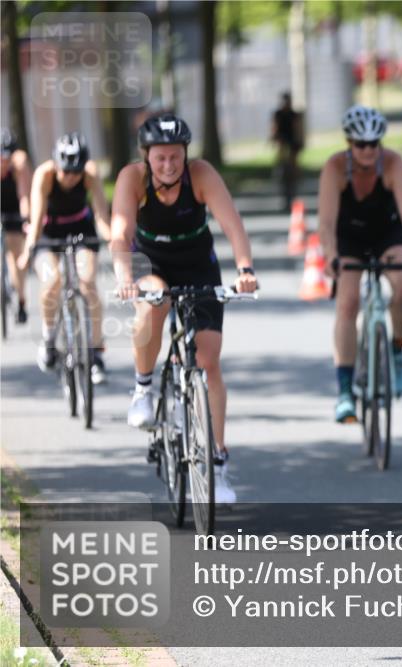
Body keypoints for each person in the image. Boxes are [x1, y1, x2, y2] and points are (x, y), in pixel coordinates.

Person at [111, 113, 258, 505]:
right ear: (147, 157)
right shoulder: (132, 178)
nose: (169, 165)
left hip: (198, 265)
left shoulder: (202, 175)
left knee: (208, 361)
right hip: (150, 264)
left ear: (185, 155)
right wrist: (124, 275)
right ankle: (143, 388)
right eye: (160, 158)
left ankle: (218, 463)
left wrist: (245, 268)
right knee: (152, 305)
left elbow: (232, 224)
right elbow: (120, 233)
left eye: (175, 157)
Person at [318, 105, 402, 424]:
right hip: (348, 238)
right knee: (348, 302)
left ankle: (396, 349)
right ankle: (344, 391)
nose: (368, 151)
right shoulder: (336, 167)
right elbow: (326, 222)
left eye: (374, 144)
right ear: (349, 144)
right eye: (360, 145)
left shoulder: (393, 163)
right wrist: (330, 256)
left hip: (387, 233)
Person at [19, 133, 111, 382]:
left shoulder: (90, 173)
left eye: (75, 172)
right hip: (49, 232)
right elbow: (36, 220)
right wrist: (28, 250)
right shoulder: (45, 174)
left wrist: (114, 239)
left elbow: (101, 215)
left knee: (88, 281)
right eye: (65, 172)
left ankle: (95, 353)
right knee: (52, 281)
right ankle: (49, 340)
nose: (70, 178)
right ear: (56, 165)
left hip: (81, 228)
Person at [1, 129, 32, 324]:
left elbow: (24, 197)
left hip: (13, 210)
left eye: (6, 158)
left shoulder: (19, 166)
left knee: (15, 255)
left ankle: (21, 300)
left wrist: (26, 219)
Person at [271, 92, 305, 212]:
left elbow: (298, 129)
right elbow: (274, 128)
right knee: (281, 164)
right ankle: (281, 176)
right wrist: (274, 138)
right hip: (282, 143)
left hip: (292, 144)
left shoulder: (294, 115)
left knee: (293, 167)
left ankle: (294, 185)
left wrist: (299, 143)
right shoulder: (278, 114)